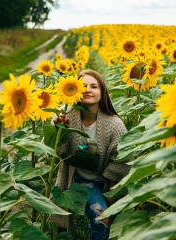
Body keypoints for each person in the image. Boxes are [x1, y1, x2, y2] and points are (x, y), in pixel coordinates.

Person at [53, 69, 130, 240]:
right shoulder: (67, 117)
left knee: (103, 220)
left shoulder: (114, 125)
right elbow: (59, 153)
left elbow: (122, 159)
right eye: (83, 86)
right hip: (73, 180)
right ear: (75, 91)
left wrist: (111, 191)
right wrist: (60, 131)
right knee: (62, 228)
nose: (88, 89)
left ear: (102, 93)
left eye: (94, 86)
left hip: (99, 182)